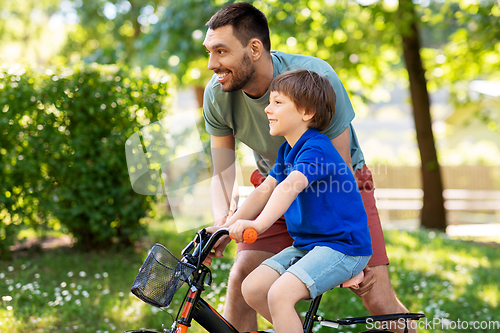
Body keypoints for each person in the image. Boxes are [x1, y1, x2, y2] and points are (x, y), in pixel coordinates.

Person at [202, 2, 415, 333]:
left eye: (221, 51)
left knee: (378, 298)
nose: (212, 64)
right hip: (278, 186)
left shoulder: (314, 81)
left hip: (340, 189)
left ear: (254, 48)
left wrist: (257, 225)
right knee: (247, 281)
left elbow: (339, 169)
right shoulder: (220, 95)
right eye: (209, 51)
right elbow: (230, 173)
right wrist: (223, 225)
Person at [212, 69, 373, 333]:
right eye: (269, 102)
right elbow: (265, 190)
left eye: (277, 102)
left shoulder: (316, 147)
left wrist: (259, 224)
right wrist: (225, 227)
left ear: (306, 112)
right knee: (253, 288)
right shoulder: (288, 151)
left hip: (342, 247)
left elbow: (289, 187)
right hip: (310, 245)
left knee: (280, 294)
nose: (267, 109)